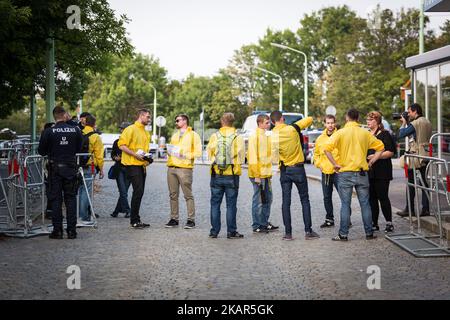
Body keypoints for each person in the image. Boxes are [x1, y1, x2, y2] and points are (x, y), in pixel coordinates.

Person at [324, 108, 384, 241]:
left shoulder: (340, 133)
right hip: (362, 173)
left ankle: (343, 234)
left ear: (347, 118)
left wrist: (334, 164)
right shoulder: (365, 133)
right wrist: (372, 161)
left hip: (345, 172)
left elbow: (326, 149)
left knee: (345, 204)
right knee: (365, 204)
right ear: (358, 118)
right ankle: (369, 233)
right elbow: (381, 147)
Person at [270, 110, 320, 241]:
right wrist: (295, 124)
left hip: (284, 170)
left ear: (272, 122)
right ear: (282, 119)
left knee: (286, 202)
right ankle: (308, 231)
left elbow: (273, 157)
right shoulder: (293, 129)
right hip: (298, 169)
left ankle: (288, 233)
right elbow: (309, 119)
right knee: (304, 200)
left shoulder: (272, 135)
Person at [38, 106, 83, 239]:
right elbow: (78, 148)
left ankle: (57, 231)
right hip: (70, 167)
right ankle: (71, 231)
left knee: (56, 200)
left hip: (55, 169)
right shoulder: (76, 130)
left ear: (55, 116)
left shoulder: (49, 131)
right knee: (70, 199)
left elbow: (41, 151)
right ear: (64, 115)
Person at [207, 113, 245, 239]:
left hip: (216, 174)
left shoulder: (214, 136)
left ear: (221, 122)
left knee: (215, 204)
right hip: (232, 175)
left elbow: (209, 155)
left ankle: (214, 232)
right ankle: (231, 232)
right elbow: (241, 158)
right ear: (232, 122)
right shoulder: (237, 137)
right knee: (231, 205)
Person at [165, 114, 202, 229]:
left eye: (177, 120)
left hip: (185, 169)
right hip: (171, 168)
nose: (176, 123)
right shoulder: (175, 135)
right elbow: (172, 150)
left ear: (185, 121)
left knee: (188, 195)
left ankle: (191, 220)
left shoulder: (193, 135)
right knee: (173, 195)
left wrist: (184, 155)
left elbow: (198, 153)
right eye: (175, 121)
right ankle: (174, 219)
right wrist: (169, 151)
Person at [396, 103, 433, 217]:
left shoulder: (416, 123)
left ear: (415, 111)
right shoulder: (427, 121)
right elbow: (416, 135)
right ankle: (426, 209)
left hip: (416, 156)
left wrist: (403, 123)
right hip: (426, 154)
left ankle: (409, 209)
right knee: (424, 183)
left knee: (411, 183)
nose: (408, 114)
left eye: (409, 112)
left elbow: (401, 134)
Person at [118, 109, 152, 229]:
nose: (149, 119)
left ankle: (136, 219)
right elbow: (121, 145)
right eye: (147, 117)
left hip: (141, 165)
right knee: (138, 191)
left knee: (140, 192)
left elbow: (144, 150)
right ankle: (134, 220)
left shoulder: (145, 132)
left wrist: (148, 158)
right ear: (141, 116)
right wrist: (135, 155)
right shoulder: (130, 129)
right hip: (132, 165)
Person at [366, 111, 396, 233]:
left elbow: (390, 152)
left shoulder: (385, 134)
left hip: (382, 171)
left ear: (377, 121)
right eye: (367, 119)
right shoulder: (366, 135)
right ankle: (374, 223)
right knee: (372, 198)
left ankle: (389, 222)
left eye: (371, 120)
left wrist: (375, 157)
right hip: (370, 171)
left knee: (383, 197)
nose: (368, 122)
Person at [247, 114, 277, 233]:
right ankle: (256, 225)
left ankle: (264, 222)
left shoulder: (266, 136)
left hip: (266, 174)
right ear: (259, 123)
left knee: (268, 199)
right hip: (258, 175)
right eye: (266, 123)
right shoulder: (255, 137)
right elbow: (253, 157)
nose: (269, 124)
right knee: (258, 200)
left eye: (269, 122)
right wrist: (257, 175)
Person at [314, 114, 342, 228]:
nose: (330, 125)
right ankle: (329, 219)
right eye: (328, 123)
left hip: (338, 172)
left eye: (332, 123)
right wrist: (319, 164)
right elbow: (316, 154)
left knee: (344, 196)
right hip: (325, 172)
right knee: (327, 197)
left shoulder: (340, 136)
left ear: (335, 123)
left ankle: (347, 219)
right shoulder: (320, 138)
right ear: (325, 124)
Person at [78, 114, 104, 223]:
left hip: (77, 166)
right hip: (89, 167)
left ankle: (80, 215)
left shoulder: (79, 133)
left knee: (80, 190)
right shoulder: (95, 136)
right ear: (94, 124)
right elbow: (99, 155)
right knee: (86, 191)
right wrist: (101, 169)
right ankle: (84, 217)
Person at [111, 122, 132, 218]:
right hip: (119, 169)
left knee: (124, 192)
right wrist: (115, 158)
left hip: (129, 169)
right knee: (123, 192)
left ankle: (116, 211)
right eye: (121, 128)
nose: (121, 130)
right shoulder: (116, 142)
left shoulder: (132, 142)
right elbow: (112, 154)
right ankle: (128, 210)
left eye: (123, 128)